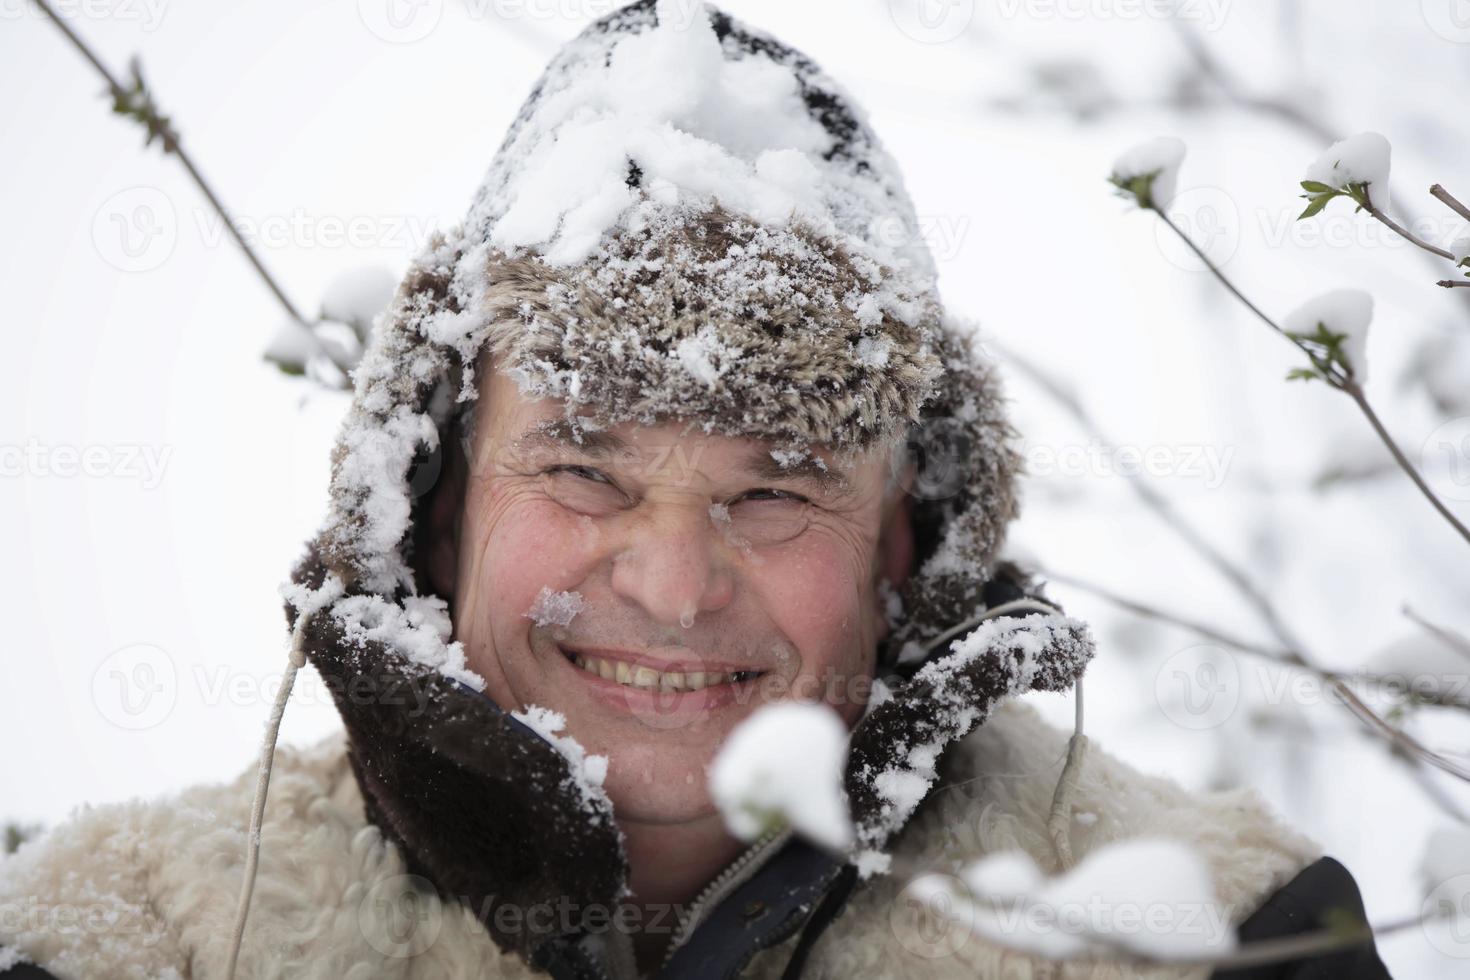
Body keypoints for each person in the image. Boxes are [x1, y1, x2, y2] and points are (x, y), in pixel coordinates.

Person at [0, 2, 1390, 977]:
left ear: (905, 540)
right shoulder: (134, 943)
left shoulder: (1220, 942)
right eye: (583, 469)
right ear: (436, 506)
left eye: (776, 490)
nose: (669, 585)